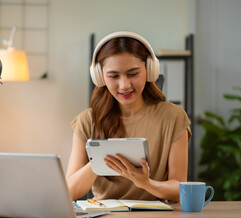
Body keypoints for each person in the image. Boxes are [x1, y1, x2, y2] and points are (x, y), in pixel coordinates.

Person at [66, 31, 191, 203]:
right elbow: (69, 192)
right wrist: (100, 159)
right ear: (100, 76)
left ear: (149, 70)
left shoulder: (173, 117)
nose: (124, 85)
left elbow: (180, 189)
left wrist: (146, 183)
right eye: (114, 76)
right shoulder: (87, 121)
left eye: (133, 74)